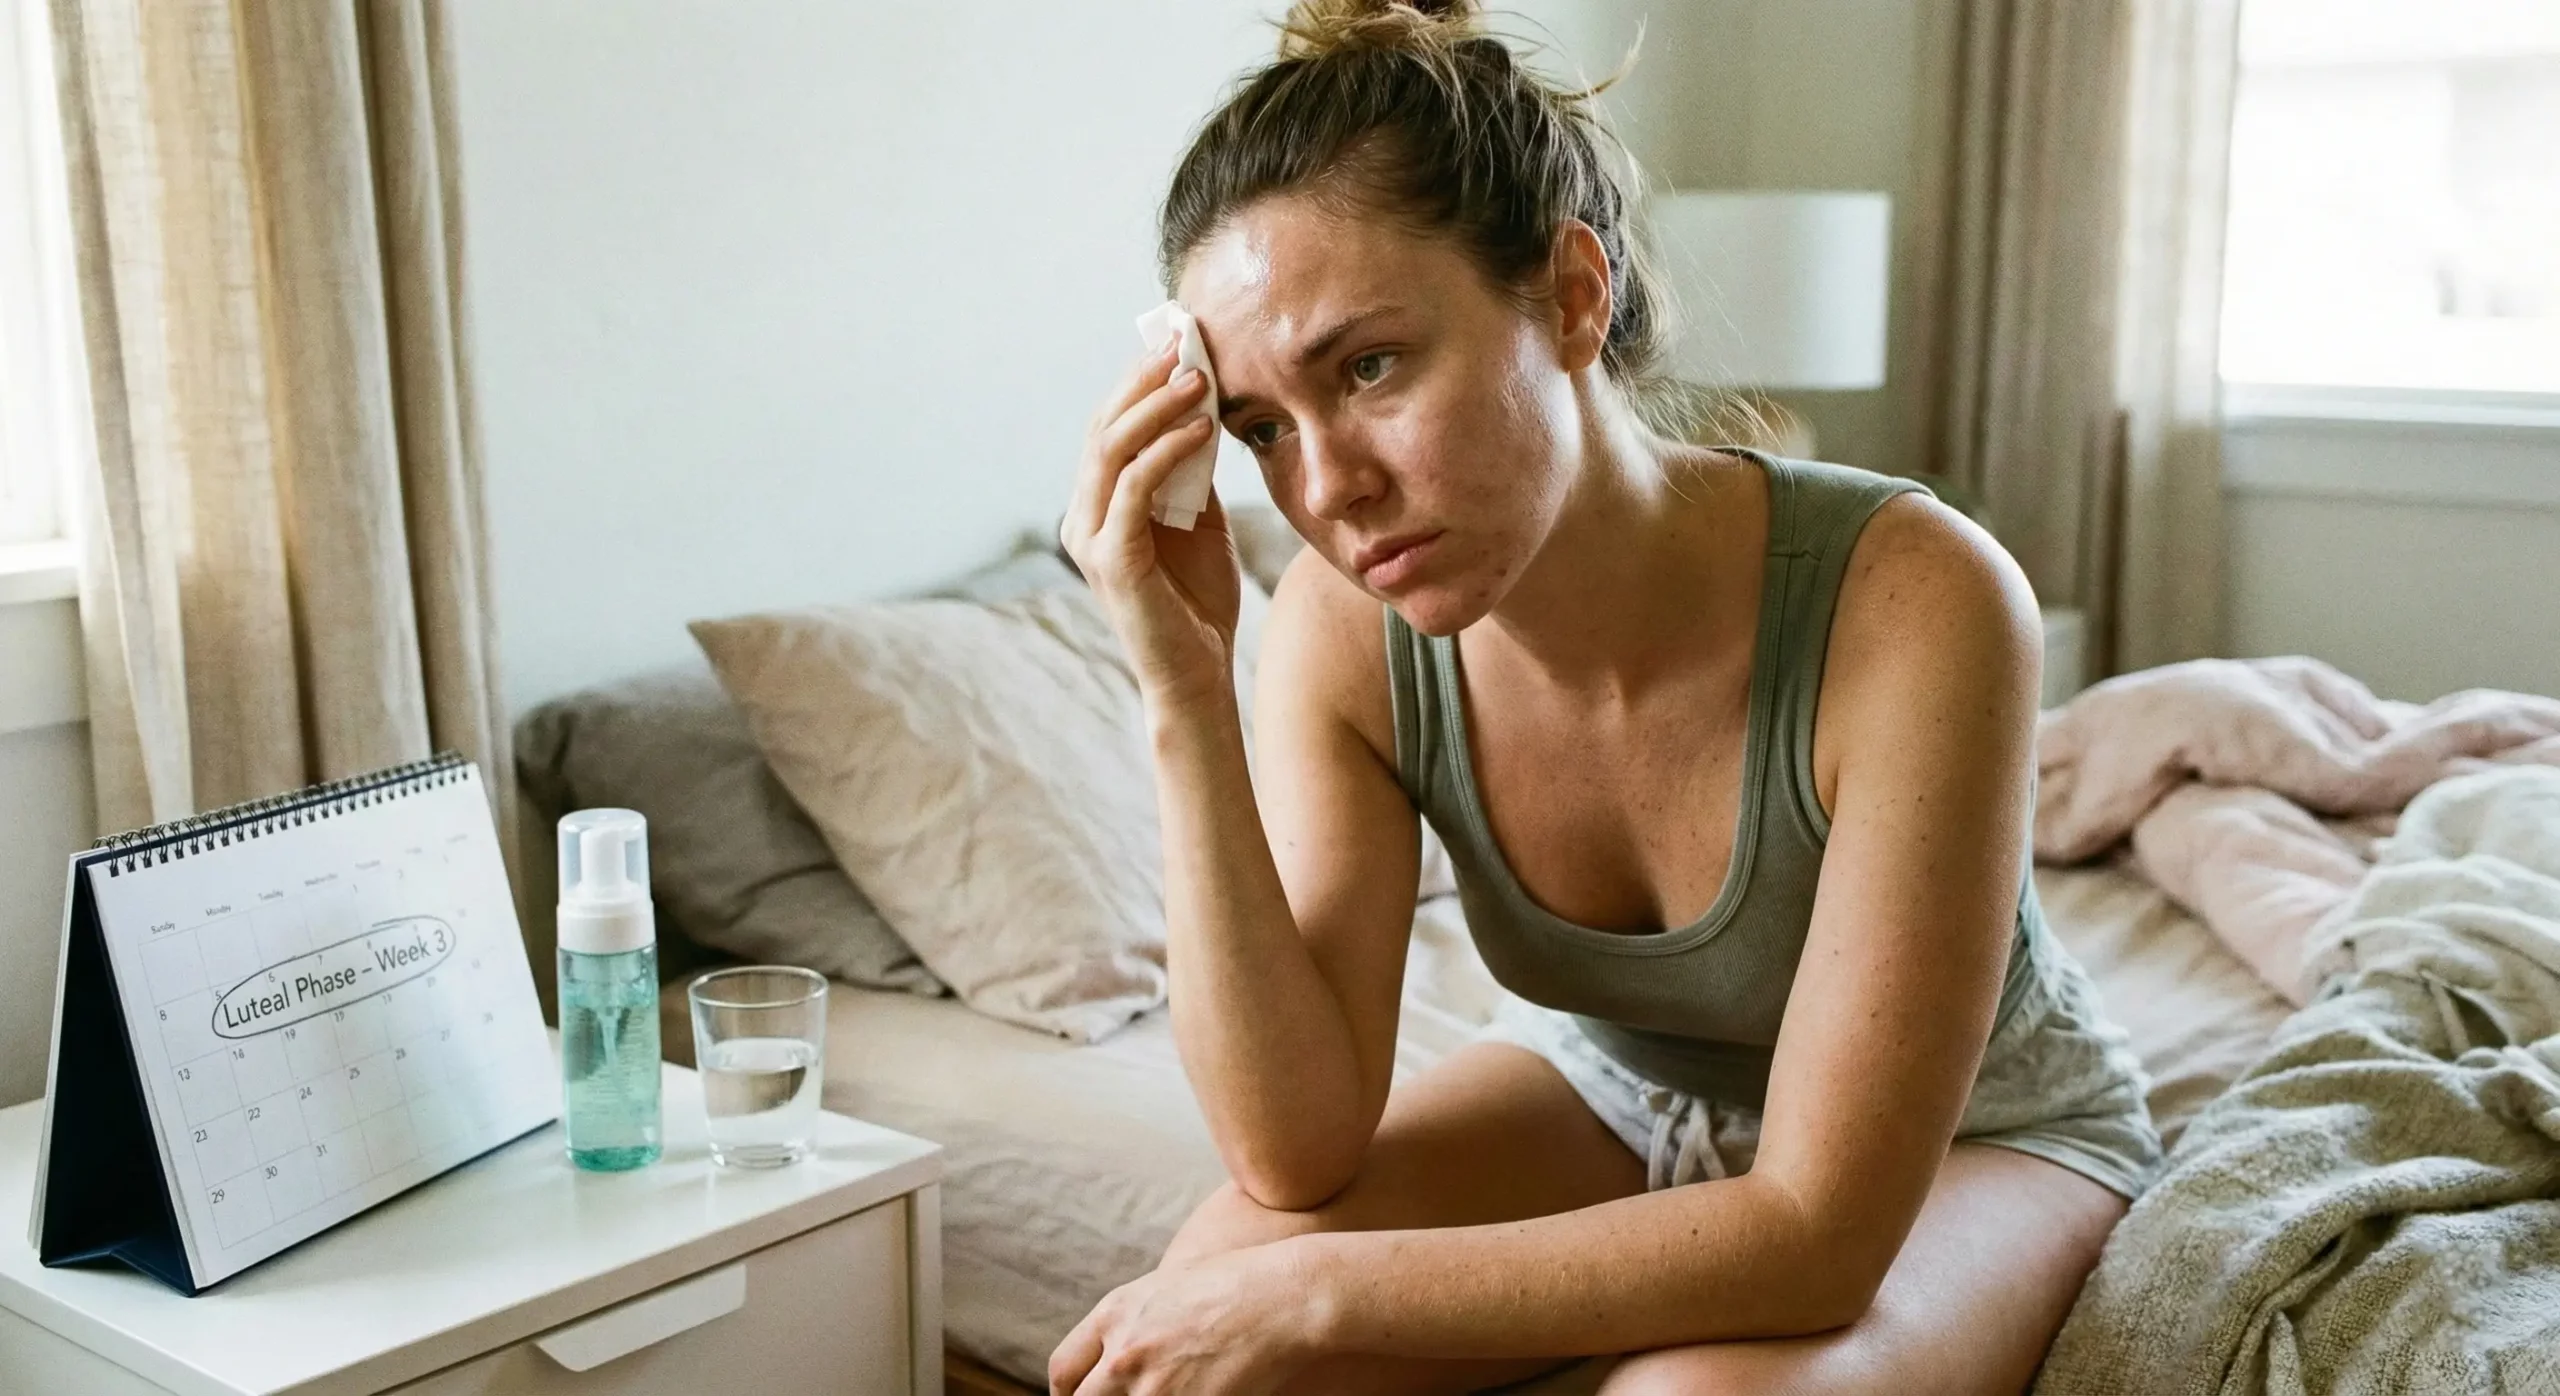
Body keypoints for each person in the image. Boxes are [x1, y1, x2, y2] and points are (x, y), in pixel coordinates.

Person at [1051, 2, 2161, 1391]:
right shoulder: (1346, 632)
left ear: (1574, 298)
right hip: (1618, 1088)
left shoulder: (1921, 598)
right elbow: (1294, 1151)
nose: (1326, 489)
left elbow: (1816, 1234)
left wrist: (1331, 1293)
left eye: (1371, 367)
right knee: (1208, 1300)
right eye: (1264, 426)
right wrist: (1182, 689)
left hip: (1985, 1137)